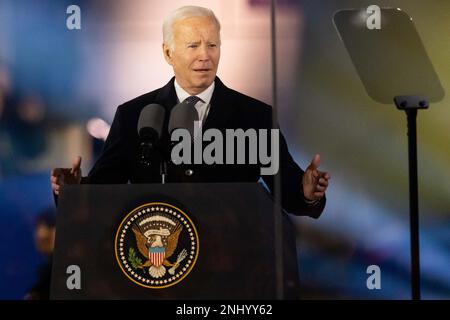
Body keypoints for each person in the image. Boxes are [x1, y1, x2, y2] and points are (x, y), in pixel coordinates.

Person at [51, 6, 330, 218]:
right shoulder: (134, 115)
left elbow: (289, 192)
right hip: (159, 268)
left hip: (232, 263)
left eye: (212, 45)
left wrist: (307, 192)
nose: (204, 56)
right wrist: (75, 191)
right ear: (168, 53)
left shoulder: (254, 116)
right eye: (193, 46)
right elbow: (104, 192)